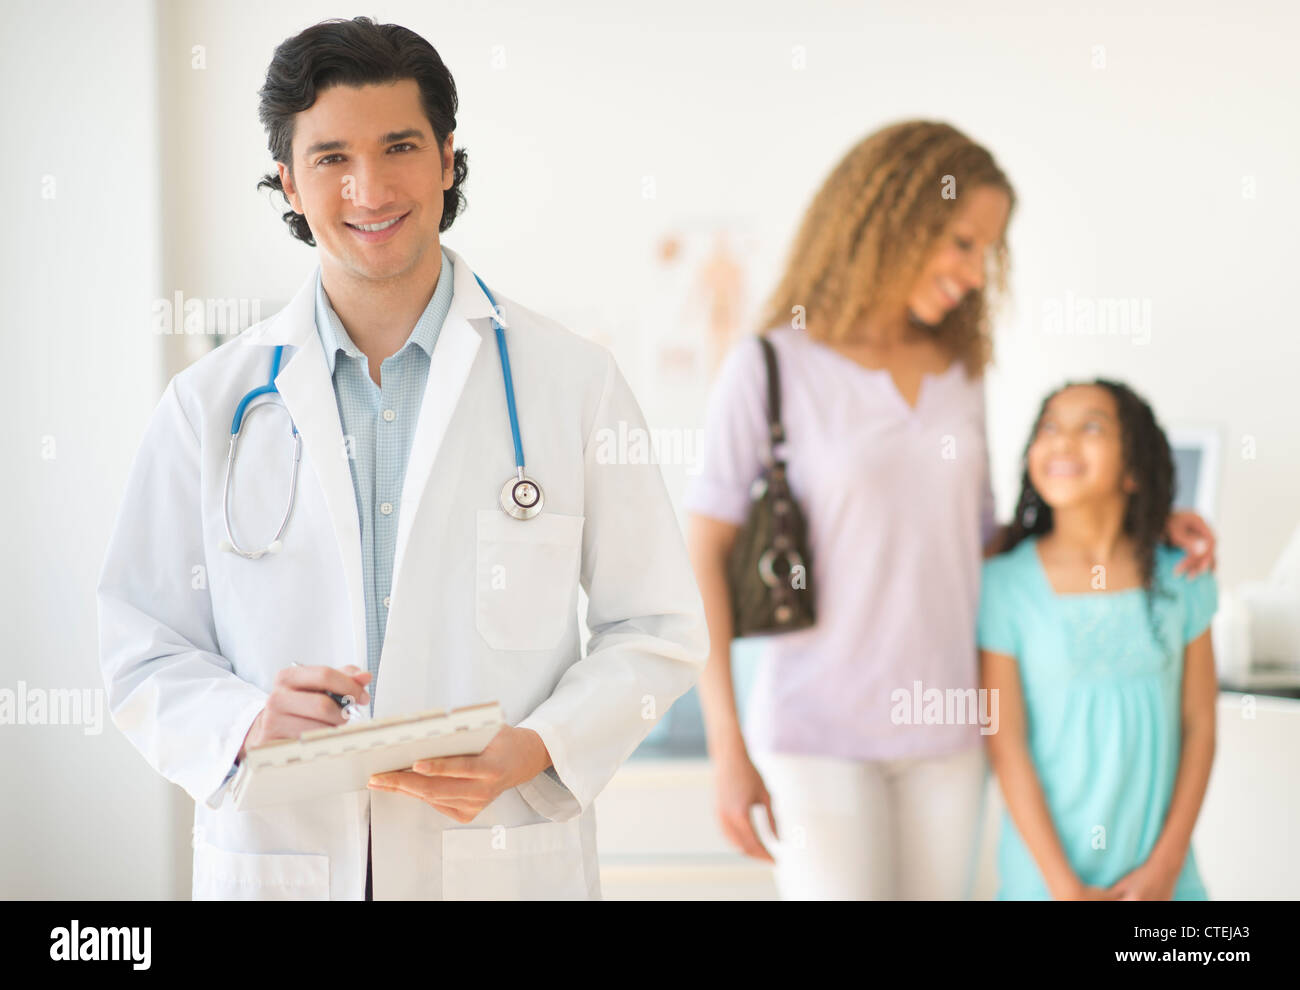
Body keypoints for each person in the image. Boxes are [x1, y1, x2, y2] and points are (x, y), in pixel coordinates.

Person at [96, 16, 707, 901]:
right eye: (331, 157)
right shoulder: (209, 406)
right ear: (288, 183)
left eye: (400, 146)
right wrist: (248, 723)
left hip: (497, 858)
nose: (370, 187)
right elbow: (141, 645)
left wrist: (539, 746)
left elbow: (656, 629)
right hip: (284, 857)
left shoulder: (572, 382)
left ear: (449, 158)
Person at [684, 121, 1216, 899]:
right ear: (891, 219)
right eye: (961, 243)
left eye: (986, 253)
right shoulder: (769, 366)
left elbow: (979, 543)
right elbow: (701, 558)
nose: (974, 272)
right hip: (814, 733)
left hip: (949, 731)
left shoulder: (960, 371)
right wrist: (725, 747)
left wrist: (1141, 518)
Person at [978, 381, 1217, 900]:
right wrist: (1065, 888)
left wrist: (1166, 868)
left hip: (1164, 881)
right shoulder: (1003, 585)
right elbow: (1006, 742)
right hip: (1047, 882)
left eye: (1091, 427)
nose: (1062, 442)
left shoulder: (1183, 577)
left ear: (1133, 469)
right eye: (1049, 428)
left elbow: (1200, 726)